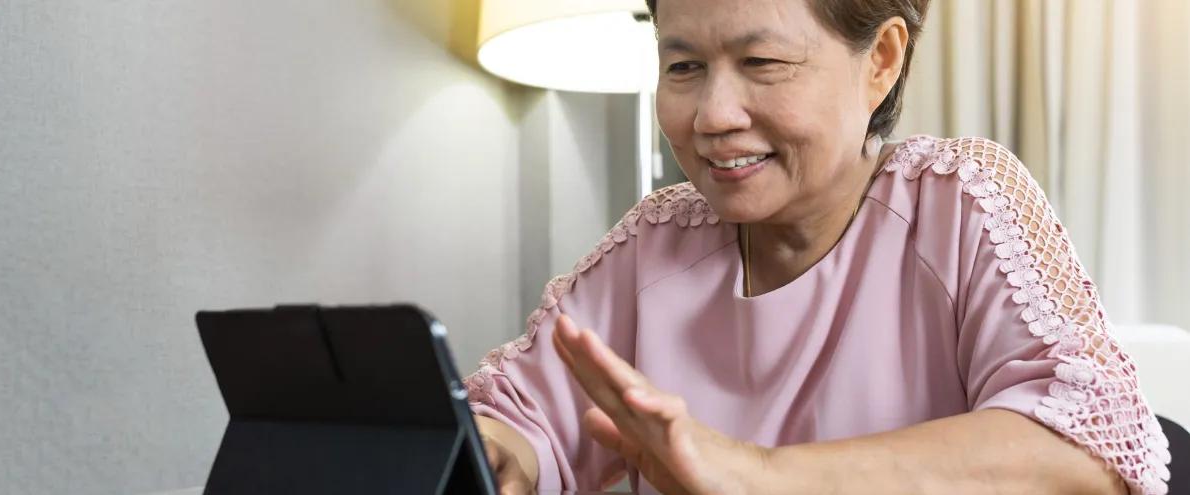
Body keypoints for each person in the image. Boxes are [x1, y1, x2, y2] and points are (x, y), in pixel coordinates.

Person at [462, 0, 1173, 493]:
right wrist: (503, 457)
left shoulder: (959, 202)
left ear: (882, 60)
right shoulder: (657, 245)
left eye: (763, 61)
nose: (713, 115)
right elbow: (521, 420)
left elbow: (1088, 449)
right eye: (683, 67)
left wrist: (752, 474)